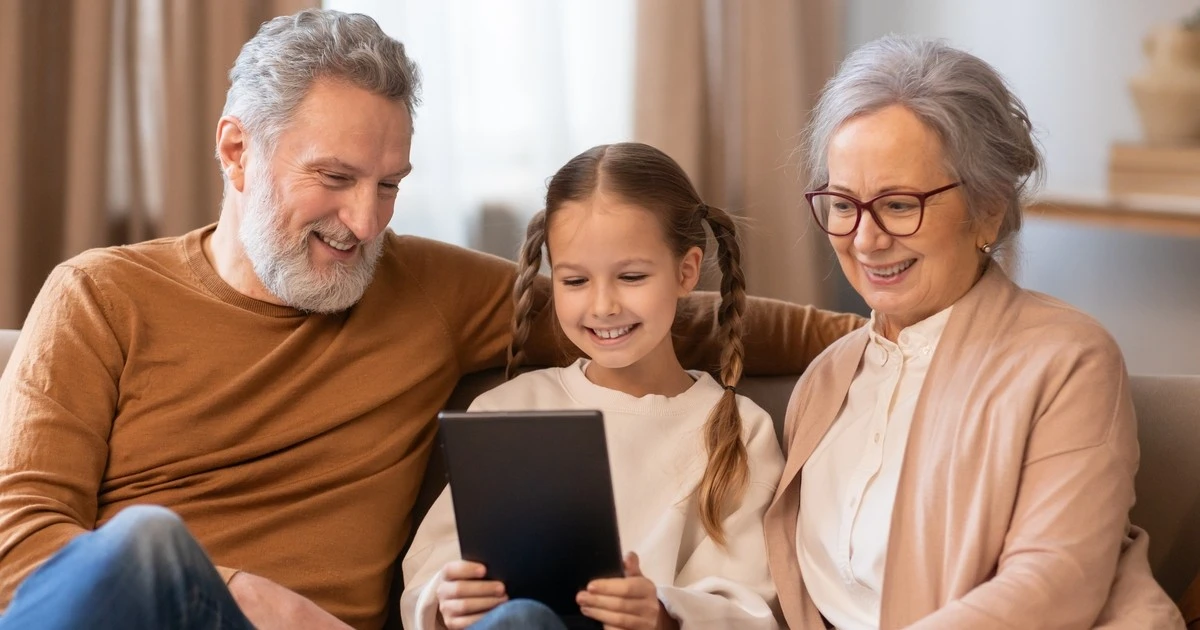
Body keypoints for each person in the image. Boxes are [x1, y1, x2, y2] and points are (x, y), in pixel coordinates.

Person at [0, 9, 863, 630]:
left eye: (389, 184)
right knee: (149, 543)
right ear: (237, 151)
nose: (365, 223)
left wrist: (887, 332)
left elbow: (665, 315)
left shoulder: (425, 288)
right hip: (156, 611)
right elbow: (20, 553)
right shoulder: (98, 297)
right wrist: (242, 591)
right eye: (334, 178)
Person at [763, 34, 1185, 629]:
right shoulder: (826, 380)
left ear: (987, 208)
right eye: (841, 203)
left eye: (899, 203)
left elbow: (1054, 582)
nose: (865, 239)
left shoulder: (1065, 359)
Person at [400, 142, 784, 630]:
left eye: (630, 276)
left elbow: (751, 607)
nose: (602, 306)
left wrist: (661, 614)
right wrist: (446, 599)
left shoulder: (739, 430)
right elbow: (433, 569)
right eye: (575, 281)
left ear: (686, 271)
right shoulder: (509, 410)